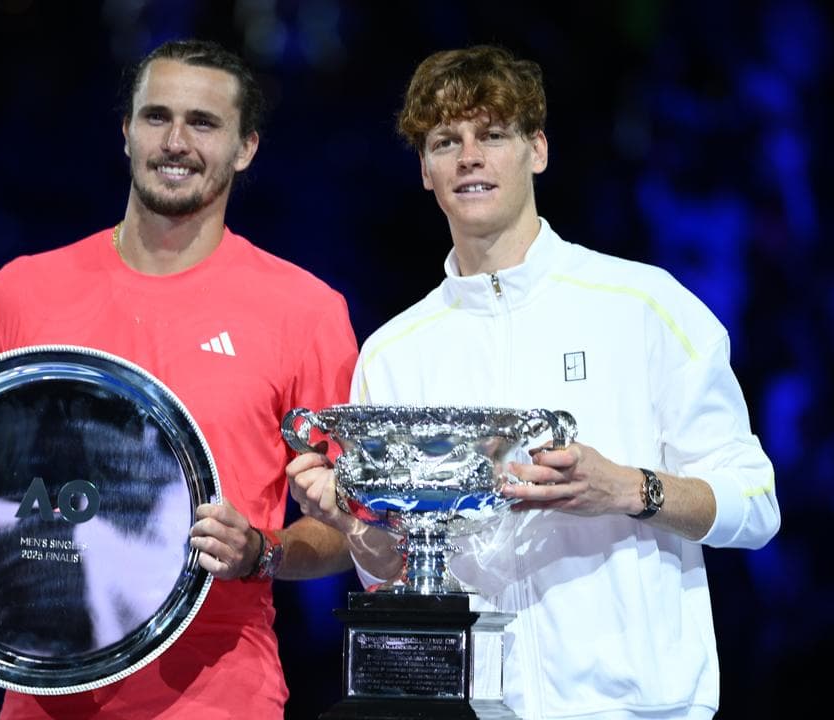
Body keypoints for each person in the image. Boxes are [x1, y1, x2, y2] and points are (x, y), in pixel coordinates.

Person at [0, 39, 358, 719]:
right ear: (125, 133)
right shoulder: (21, 295)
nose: (175, 141)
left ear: (246, 148)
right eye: (156, 117)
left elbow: (355, 531)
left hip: (216, 692)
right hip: (43, 691)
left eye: (203, 123)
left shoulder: (305, 312)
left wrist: (261, 552)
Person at [288, 45, 780, 720]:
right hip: (468, 707)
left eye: (492, 135)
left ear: (537, 151)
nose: (470, 157)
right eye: (445, 141)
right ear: (425, 171)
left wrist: (627, 488)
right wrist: (353, 522)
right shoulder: (395, 352)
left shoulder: (644, 306)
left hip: (638, 709)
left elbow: (755, 504)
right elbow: (390, 574)